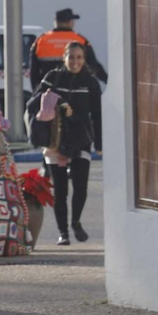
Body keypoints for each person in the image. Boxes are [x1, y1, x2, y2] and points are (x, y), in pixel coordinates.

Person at [36, 42, 102, 245]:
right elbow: (36, 101)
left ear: (84, 59)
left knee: (80, 187)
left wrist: (99, 143)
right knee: (60, 191)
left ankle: (76, 222)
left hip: (81, 139)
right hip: (55, 140)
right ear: (64, 58)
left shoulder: (90, 82)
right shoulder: (53, 78)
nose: (75, 62)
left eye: (79, 57)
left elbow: (97, 115)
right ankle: (63, 232)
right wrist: (59, 102)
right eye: (71, 57)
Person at [31, 8, 107, 87]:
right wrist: (107, 80)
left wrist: (37, 90)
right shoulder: (80, 40)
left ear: (56, 22)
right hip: (74, 88)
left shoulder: (40, 41)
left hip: (49, 88)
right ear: (70, 22)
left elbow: (34, 72)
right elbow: (94, 66)